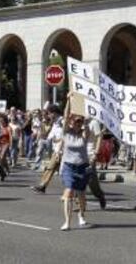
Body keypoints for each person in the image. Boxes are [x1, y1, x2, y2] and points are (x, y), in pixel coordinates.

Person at [59, 99, 91, 231]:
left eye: (80, 121)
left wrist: (86, 118)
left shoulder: (84, 133)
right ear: (71, 122)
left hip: (82, 167)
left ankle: (81, 214)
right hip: (69, 167)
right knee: (69, 191)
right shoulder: (66, 132)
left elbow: (87, 129)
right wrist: (68, 100)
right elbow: (66, 116)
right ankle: (67, 222)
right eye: (75, 121)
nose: (78, 123)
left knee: (81, 195)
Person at [30, 105, 63, 193]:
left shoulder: (62, 121)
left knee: (56, 169)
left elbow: (66, 134)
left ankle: (74, 190)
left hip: (62, 150)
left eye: (49, 113)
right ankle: (42, 186)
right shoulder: (56, 122)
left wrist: (58, 140)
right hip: (56, 149)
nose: (48, 116)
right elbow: (51, 134)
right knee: (50, 168)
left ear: (54, 113)